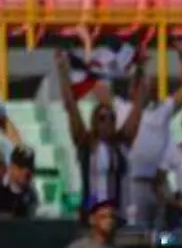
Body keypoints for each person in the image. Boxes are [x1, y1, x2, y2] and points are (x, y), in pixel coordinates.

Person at [55, 50, 145, 218]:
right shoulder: (86, 143)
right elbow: (71, 107)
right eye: (102, 118)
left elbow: (137, 110)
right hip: (91, 211)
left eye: (112, 118)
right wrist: (62, 72)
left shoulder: (120, 144)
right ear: (94, 121)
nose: (108, 122)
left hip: (117, 213)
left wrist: (140, 69)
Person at [124, 41, 182, 227]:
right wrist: (139, 66)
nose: (147, 88)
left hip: (158, 185)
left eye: (150, 86)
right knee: (135, 235)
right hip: (132, 185)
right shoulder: (123, 110)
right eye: (142, 85)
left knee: (164, 237)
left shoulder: (162, 110)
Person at [0, 145, 38, 218]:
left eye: (29, 168)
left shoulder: (30, 195)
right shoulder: (2, 188)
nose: (25, 172)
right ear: (12, 167)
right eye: (21, 167)